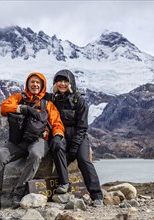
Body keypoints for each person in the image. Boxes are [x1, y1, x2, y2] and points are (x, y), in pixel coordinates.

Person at [0, 72, 65, 210]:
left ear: (42, 86)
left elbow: (57, 123)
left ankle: (18, 193)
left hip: (39, 140)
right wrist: (23, 108)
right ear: (27, 84)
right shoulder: (19, 98)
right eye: (32, 82)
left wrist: (57, 136)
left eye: (38, 83)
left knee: (35, 155)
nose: (35, 85)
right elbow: (4, 107)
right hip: (17, 141)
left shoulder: (47, 104)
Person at [50, 69, 103, 207]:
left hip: (78, 135)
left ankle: (96, 195)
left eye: (65, 81)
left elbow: (82, 127)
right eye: (59, 81)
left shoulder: (79, 100)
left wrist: (74, 148)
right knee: (56, 147)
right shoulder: (52, 99)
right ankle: (64, 183)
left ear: (71, 83)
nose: (62, 84)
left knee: (84, 160)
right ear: (55, 83)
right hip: (61, 134)